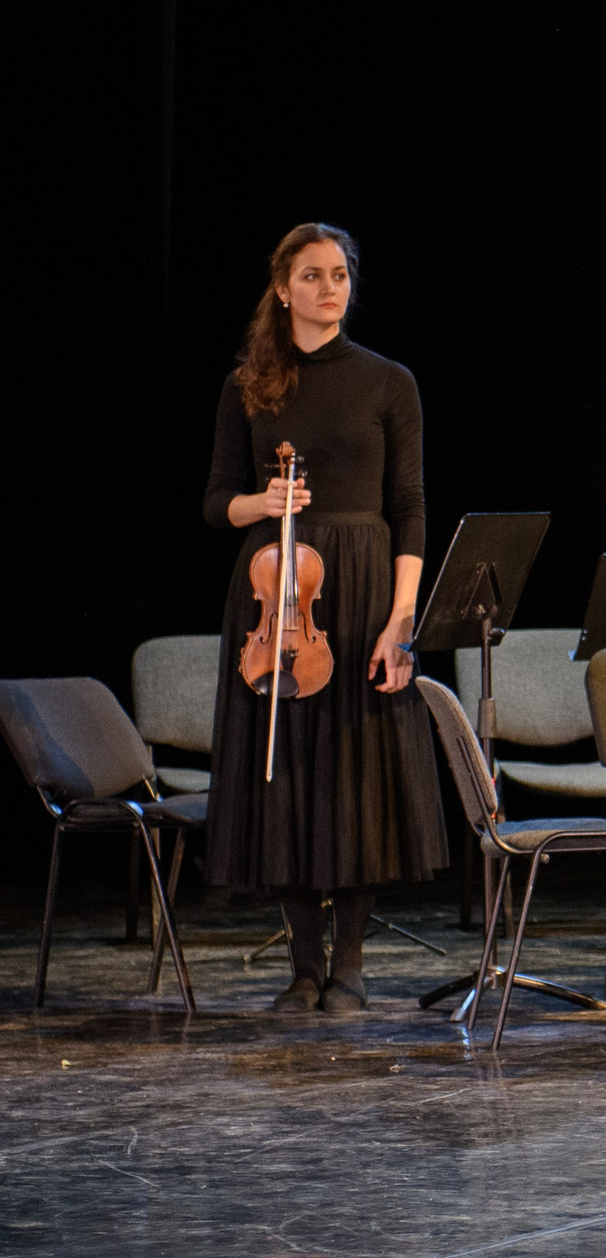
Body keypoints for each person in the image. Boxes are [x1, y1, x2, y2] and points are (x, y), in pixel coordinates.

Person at [204, 223, 444, 1013]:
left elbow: (409, 509)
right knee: (286, 777)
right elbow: (216, 503)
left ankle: (350, 965)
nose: (329, 288)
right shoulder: (250, 383)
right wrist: (260, 503)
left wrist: (401, 618)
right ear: (283, 288)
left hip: (368, 585)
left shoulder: (388, 381)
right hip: (277, 594)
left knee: (358, 774)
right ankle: (303, 968)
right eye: (312, 276)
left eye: (339, 274)